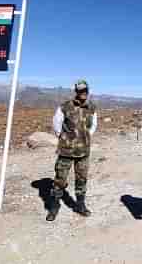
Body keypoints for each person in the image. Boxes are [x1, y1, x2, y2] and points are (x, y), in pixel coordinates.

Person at [46, 79, 97, 221]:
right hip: (66, 151)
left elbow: (93, 126)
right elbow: (56, 124)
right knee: (60, 179)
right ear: (76, 91)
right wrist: (64, 137)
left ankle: (80, 205)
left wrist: (84, 137)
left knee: (81, 179)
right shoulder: (65, 107)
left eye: (85, 90)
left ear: (88, 90)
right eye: (80, 91)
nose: (83, 93)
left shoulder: (92, 108)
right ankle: (54, 207)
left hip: (83, 151)